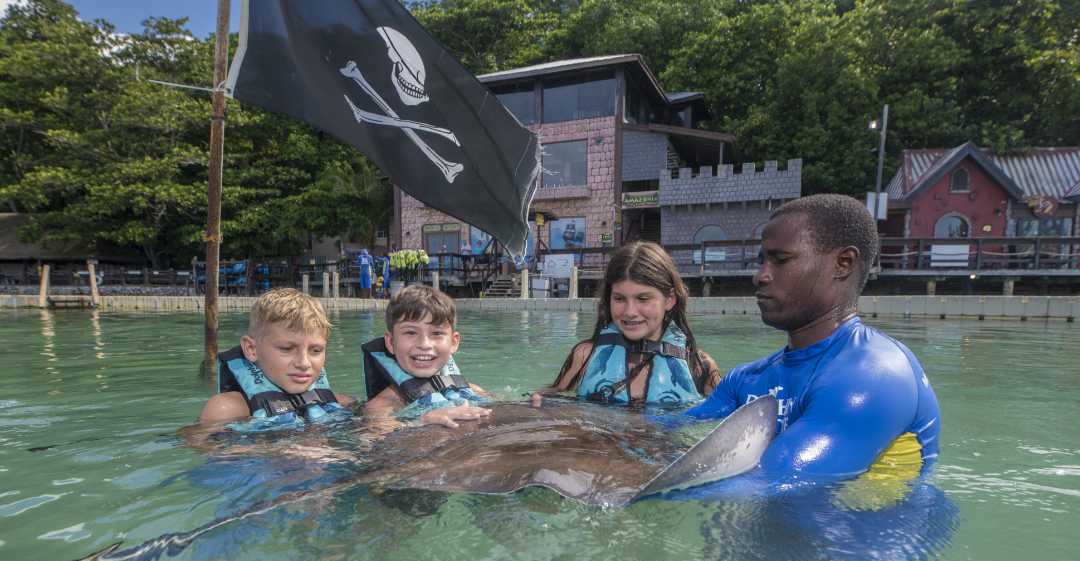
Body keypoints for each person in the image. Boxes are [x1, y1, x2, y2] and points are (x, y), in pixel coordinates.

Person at [678, 194, 940, 500]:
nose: (760, 276)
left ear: (843, 263)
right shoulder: (747, 379)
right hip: (764, 538)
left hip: (855, 545)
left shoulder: (876, 375)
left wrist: (620, 490)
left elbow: (776, 481)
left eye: (781, 260)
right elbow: (673, 426)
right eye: (761, 260)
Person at [532, 241, 722, 407]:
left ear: (670, 299)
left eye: (643, 298)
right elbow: (553, 398)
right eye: (620, 299)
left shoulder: (698, 366)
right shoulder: (585, 355)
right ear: (609, 299)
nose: (630, 312)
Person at [198, 288, 353, 427]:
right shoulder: (226, 410)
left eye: (316, 350)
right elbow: (207, 448)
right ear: (252, 349)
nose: (304, 363)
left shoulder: (341, 403)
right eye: (287, 349)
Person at [363, 284, 491, 428]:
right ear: (391, 342)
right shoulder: (381, 407)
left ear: (453, 343)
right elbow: (378, 445)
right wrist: (422, 421)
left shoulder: (475, 391)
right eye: (411, 333)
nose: (424, 344)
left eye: (437, 333)